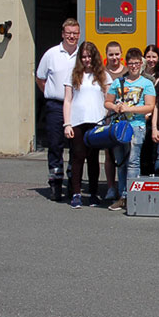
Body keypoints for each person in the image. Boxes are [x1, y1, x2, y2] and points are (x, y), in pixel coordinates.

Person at [104, 47, 156, 211]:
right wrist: (116, 106)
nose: (134, 66)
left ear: (141, 64)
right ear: (127, 64)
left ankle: (130, 195)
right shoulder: (118, 82)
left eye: (136, 63)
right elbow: (107, 102)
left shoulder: (147, 83)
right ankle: (122, 195)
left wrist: (130, 109)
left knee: (134, 162)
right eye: (131, 63)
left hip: (137, 126)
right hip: (120, 127)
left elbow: (150, 107)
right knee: (121, 162)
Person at [35, 18, 80, 201]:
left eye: (75, 33)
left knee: (76, 147)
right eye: (68, 33)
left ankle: (72, 183)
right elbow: (40, 78)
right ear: (62, 34)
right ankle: (55, 183)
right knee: (55, 145)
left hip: (77, 107)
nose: (71, 36)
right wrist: (50, 93)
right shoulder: (51, 54)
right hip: (55, 105)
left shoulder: (82, 55)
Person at [62, 42, 111, 209]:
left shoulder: (103, 75)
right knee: (77, 157)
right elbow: (67, 101)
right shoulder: (72, 74)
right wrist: (67, 124)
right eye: (83, 57)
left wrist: (107, 119)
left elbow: (108, 99)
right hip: (77, 121)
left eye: (89, 56)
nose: (86, 60)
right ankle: (76, 193)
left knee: (93, 158)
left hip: (96, 122)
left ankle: (93, 193)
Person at [102, 41, 126, 201]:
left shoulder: (126, 71)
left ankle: (123, 188)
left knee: (124, 155)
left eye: (117, 54)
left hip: (125, 118)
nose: (114, 57)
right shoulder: (102, 72)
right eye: (111, 54)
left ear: (121, 54)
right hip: (108, 117)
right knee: (109, 155)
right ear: (106, 56)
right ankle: (111, 187)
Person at [140, 44, 159, 175]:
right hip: (141, 118)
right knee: (143, 153)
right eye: (148, 56)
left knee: (156, 153)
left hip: (156, 119)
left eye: (154, 57)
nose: (151, 60)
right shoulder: (139, 75)